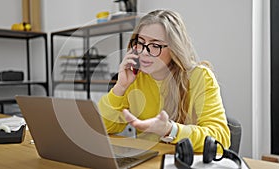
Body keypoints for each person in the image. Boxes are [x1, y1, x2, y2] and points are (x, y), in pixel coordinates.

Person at [98, 9, 230, 152]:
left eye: (155, 45)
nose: (143, 52)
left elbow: (220, 140)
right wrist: (120, 86)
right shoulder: (135, 78)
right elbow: (103, 127)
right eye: (140, 43)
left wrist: (170, 130)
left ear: (174, 48)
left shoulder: (200, 77)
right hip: (147, 161)